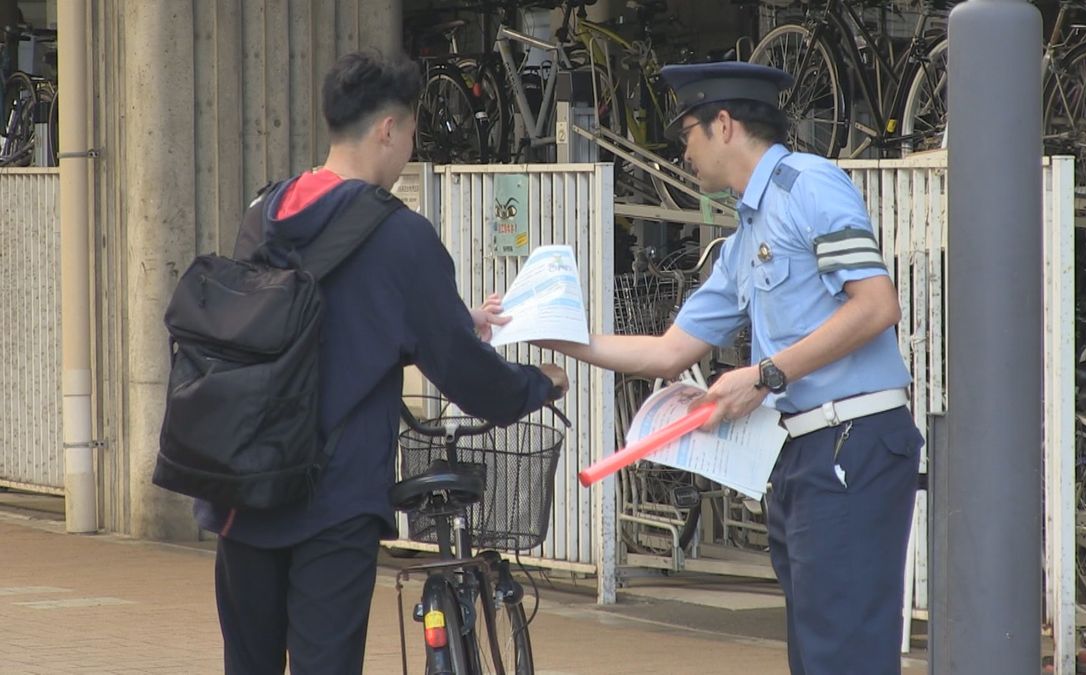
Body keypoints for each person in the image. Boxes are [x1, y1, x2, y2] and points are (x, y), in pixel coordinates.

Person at [536, 62, 922, 675]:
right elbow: (669, 352)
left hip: (852, 442)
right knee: (817, 652)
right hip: (800, 453)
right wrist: (559, 338)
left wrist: (767, 375)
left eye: (685, 131)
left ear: (723, 124)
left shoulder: (809, 185)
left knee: (842, 653)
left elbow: (877, 306)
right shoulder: (744, 235)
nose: (682, 150)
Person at [193, 51, 568, 675]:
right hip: (333, 499)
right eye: (414, 132)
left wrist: (450, 319)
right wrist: (538, 384)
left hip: (245, 486)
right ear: (389, 129)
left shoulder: (265, 214)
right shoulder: (401, 236)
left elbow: (311, 324)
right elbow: (471, 379)